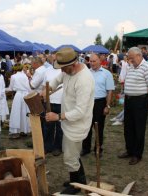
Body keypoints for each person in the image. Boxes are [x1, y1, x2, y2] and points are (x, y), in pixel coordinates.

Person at [44, 47, 94, 194]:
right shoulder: (68, 70)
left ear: (73, 64)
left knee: (70, 156)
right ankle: (78, 180)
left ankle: (76, 185)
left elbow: (80, 111)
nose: (62, 71)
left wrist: (57, 116)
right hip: (68, 122)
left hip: (78, 124)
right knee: (72, 153)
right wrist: (48, 89)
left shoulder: (84, 80)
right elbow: (57, 79)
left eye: (63, 68)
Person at [118, 47, 148, 165]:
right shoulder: (131, 66)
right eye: (129, 58)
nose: (130, 60)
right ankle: (129, 150)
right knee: (128, 127)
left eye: (131, 58)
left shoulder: (147, 68)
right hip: (129, 100)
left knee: (138, 128)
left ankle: (137, 154)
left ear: (139, 56)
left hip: (140, 101)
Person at [81, 53, 114, 156]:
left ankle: (98, 148)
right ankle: (86, 148)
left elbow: (109, 91)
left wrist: (107, 106)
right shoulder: (86, 73)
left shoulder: (106, 73)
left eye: (94, 61)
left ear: (99, 61)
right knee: (86, 126)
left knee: (98, 127)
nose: (92, 63)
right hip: (87, 102)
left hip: (100, 102)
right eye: (90, 61)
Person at [7, 64, 31, 139]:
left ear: (14, 69)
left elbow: (11, 88)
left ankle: (16, 131)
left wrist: (3, 89)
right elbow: (29, 87)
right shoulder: (25, 76)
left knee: (16, 113)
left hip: (19, 95)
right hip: (26, 95)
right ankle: (24, 130)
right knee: (25, 112)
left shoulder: (14, 76)